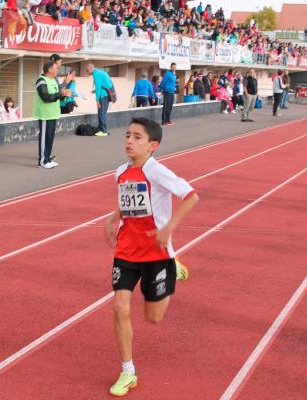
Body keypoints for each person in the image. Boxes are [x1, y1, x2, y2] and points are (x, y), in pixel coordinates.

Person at [104, 117, 199, 397]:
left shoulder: (158, 172)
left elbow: (192, 196)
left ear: (152, 145)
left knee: (153, 317)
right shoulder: (120, 172)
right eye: (127, 135)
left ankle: (173, 267)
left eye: (137, 137)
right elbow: (127, 204)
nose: (129, 141)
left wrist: (169, 228)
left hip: (156, 253)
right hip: (126, 250)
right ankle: (128, 371)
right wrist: (112, 218)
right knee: (120, 307)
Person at [33, 61, 72, 169]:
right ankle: (42, 161)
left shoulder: (52, 80)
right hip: (45, 114)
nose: (57, 70)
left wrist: (64, 94)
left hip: (53, 113)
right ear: (49, 69)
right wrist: (60, 94)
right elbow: (46, 97)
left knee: (50, 137)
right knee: (44, 138)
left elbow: (57, 96)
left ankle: (48, 159)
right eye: (56, 68)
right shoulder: (41, 81)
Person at [86, 63, 113, 136]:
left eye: (87, 70)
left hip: (103, 95)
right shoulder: (100, 72)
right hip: (107, 94)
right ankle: (103, 130)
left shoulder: (96, 74)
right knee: (103, 113)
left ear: (91, 69)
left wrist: (97, 100)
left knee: (101, 113)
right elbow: (105, 84)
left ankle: (103, 131)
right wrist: (95, 91)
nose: (87, 72)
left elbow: (98, 87)